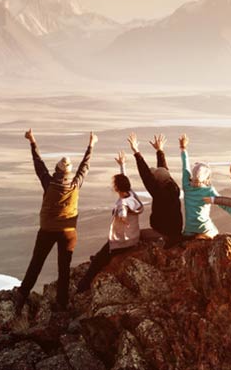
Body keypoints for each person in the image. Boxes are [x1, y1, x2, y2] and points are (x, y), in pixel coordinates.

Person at [15, 129, 96, 314]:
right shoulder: (75, 185)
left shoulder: (49, 183)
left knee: (36, 263)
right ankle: (61, 303)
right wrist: (91, 145)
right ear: (68, 172)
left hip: (47, 230)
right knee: (63, 268)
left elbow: (38, 164)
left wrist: (32, 141)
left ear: (57, 170)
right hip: (68, 232)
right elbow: (85, 166)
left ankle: (22, 295)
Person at [76, 151, 147, 293]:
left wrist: (123, 218)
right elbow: (125, 182)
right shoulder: (132, 195)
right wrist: (122, 165)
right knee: (101, 253)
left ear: (116, 188)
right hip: (133, 237)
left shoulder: (122, 203)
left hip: (122, 242)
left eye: (113, 183)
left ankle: (82, 286)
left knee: (97, 262)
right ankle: (101, 256)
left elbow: (122, 211)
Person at [179, 133, 231, 239]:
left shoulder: (186, 185)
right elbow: (224, 205)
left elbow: (185, 166)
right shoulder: (208, 191)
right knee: (216, 234)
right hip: (205, 228)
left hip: (189, 229)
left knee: (187, 234)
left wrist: (183, 147)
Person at [127, 133, 184, 245]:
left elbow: (145, 175)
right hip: (176, 233)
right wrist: (159, 150)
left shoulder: (159, 193)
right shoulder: (172, 187)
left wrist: (136, 152)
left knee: (134, 236)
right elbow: (163, 171)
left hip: (162, 234)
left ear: (157, 182)